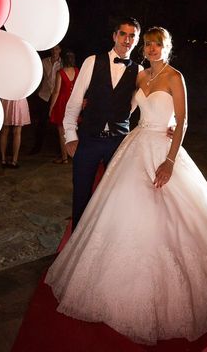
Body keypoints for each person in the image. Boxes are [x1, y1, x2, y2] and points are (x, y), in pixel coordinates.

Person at [45, 26, 207, 345]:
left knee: (171, 210)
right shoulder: (138, 75)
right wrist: (90, 114)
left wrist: (169, 159)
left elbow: (182, 120)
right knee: (121, 207)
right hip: (135, 145)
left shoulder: (174, 77)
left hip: (164, 152)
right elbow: (123, 108)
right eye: (149, 44)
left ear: (168, 47)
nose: (152, 49)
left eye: (158, 44)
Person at [62, 17, 142, 229]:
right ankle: (76, 245)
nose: (127, 39)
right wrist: (70, 136)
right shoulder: (92, 61)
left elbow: (134, 105)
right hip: (88, 140)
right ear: (114, 36)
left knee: (114, 198)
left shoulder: (140, 71)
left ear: (137, 40)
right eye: (123, 34)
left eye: (132, 35)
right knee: (81, 195)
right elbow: (74, 103)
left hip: (118, 143)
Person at [28, 45, 62, 155]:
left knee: (58, 123)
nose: (54, 51)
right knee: (41, 123)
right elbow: (38, 76)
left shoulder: (63, 63)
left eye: (56, 49)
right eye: (52, 49)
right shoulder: (44, 62)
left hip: (58, 96)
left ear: (60, 50)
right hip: (44, 95)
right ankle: (37, 147)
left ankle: (60, 149)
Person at [48, 49, 79, 164]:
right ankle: (75, 155)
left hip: (62, 103)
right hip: (73, 103)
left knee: (62, 132)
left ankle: (64, 157)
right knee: (73, 130)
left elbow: (56, 92)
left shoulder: (60, 73)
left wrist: (51, 107)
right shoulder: (77, 71)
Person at [0, 98, 31, 168]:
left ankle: (3, 159)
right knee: (17, 132)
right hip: (19, 100)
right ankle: (14, 160)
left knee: (4, 131)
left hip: (7, 100)